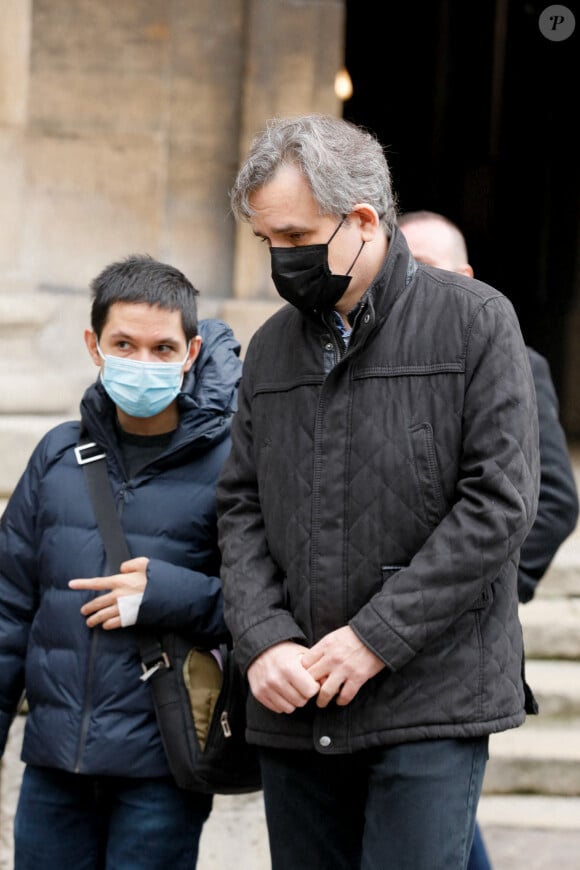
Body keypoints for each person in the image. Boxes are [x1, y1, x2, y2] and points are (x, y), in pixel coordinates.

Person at [216, 113, 540, 870]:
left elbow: (499, 504)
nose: (280, 261)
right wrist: (263, 641)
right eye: (268, 243)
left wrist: (373, 641)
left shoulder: (476, 322)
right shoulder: (269, 350)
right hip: (295, 701)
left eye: (295, 239)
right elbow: (240, 508)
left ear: (363, 221)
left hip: (432, 695)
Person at [0, 255, 242, 869]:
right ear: (94, 345)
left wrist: (167, 591)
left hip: (164, 765)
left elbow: (268, 601)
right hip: (55, 766)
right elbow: (7, 610)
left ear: (190, 354)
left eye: (163, 349)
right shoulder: (58, 456)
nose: (143, 362)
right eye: (124, 344)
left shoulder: (234, 467)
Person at [398, 208, 580, 870]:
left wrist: (482, 592)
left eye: (432, 270)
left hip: (457, 642)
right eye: (402, 269)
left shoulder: (511, 359)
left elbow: (554, 501)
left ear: (467, 277)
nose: (414, 285)